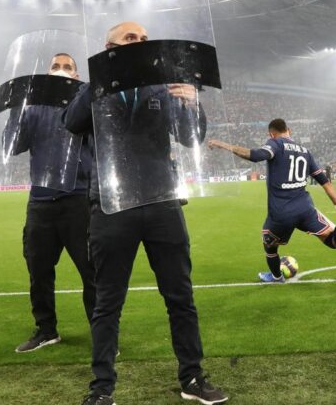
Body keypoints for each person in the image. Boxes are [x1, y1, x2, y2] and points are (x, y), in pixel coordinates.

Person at [62, 21, 227, 405]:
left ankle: (192, 377)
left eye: (143, 39)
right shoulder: (97, 88)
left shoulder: (162, 86)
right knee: (107, 303)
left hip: (161, 202)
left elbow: (190, 136)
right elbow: (71, 122)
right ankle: (102, 389)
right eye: (130, 38)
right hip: (110, 205)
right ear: (110, 48)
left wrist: (193, 104)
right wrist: (101, 76)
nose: (139, 43)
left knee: (180, 297)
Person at [208, 118, 336, 283]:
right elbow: (325, 182)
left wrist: (223, 145)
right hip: (305, 208)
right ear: (289, 130)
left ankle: (276, 276)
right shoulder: (305, 151)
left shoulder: (275, 144)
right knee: (333, 242)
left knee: (269, 245)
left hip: (281, 211)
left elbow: (256, 155)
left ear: (271, 134)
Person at [7, 53, 96, 353]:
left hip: (79, 199)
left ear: (76, 75)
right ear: (47, 73)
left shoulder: (87, 104)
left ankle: (102, 333)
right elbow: (11, 146)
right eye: (55, 66)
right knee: (39, 271)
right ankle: (46, 330)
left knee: (92, 272)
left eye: (67, 67)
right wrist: (17, 109)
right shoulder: (33, 108)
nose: (61, 70)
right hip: (41, 202)